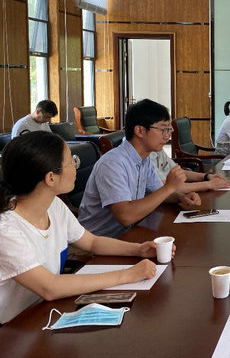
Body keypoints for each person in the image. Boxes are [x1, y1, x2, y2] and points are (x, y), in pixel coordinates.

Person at [0, 132, 162, 324]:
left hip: (43, 312)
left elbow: (91, 242)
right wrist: (129, 274)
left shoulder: (54, 206)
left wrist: (138, 249)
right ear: (51, 178)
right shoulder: (6, 230)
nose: (76, 166)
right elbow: (50, 287)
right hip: (14, 327)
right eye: (72, 161)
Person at [78, 99, 201, 238]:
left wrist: (181, 197)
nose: (167, 136)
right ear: (140, 131)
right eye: (163, 130)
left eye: (168, 130)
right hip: (98, 243)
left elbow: (158, 193)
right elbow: (126, 216)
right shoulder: (112, 164)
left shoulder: (145, 159)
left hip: (130, 232)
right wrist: (169, 187)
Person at [149, 149, 230, 193]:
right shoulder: (146, 158)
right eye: (163, 129)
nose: (167, 136)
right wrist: (208, 184)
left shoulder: (158, 150)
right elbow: (166, 188)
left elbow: (179, 172)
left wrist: (206, 176)